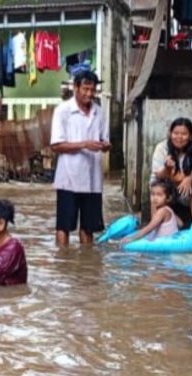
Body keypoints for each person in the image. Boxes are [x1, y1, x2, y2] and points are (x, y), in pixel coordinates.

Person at [50, 70, 110, 246]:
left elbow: (104, 141)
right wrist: (84, 144)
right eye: (85, 89)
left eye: (92, 90)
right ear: (75, 87)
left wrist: (106, 146)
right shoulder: (63, 110)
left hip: (93, 180)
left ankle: (87, 266)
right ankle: (63, 264)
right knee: (64, 226)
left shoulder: (99, 112)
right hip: (68, 178)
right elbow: (56, 145)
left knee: (89, 227)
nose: (89, 94)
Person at [150, 117, 192, 227]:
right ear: (170, 134)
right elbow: (158, 174)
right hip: (166, 185)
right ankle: (155, 225)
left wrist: (189, 178)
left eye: (184, 134)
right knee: (157, 187)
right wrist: (167, 169)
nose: (179, 137)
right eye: (175, 133)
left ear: (190, 136)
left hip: (186, 187)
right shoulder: (162, 147)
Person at [116, 181, 182, 246]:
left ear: (168, 198)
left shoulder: (162, 211)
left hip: (166, 242)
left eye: (159, 195)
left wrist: (132, 238)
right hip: (170, 239)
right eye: (153, 194)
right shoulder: (169, 210)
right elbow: (180, 224)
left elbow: (149, 228)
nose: (155, 198)